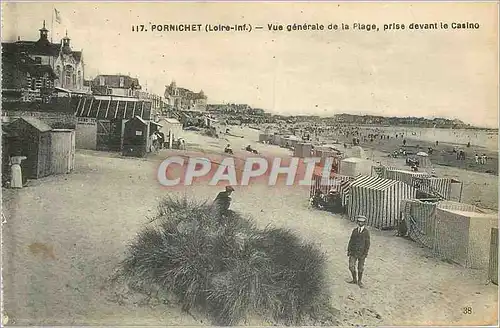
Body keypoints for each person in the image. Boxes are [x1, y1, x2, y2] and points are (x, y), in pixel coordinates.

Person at [347, 215, 370, 288]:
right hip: (353, 252)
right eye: (359, 221)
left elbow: (367, 244)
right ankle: (354, 279)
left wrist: (365, 253)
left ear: (364, 223)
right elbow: (351, 241)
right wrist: (349, 250)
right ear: (357, 222)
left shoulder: (366, 232)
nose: (360, 223)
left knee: (360, 267)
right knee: (351, 266)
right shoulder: (354, 231)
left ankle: (359, 281)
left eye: (362, 222)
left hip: (362, 253)